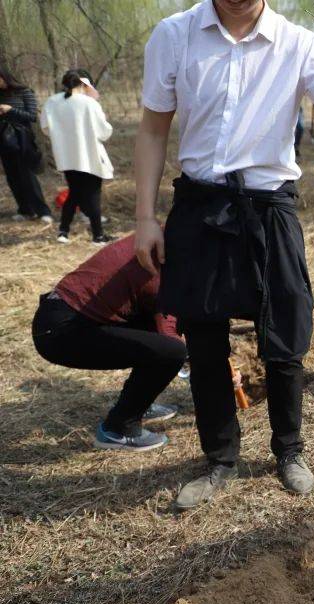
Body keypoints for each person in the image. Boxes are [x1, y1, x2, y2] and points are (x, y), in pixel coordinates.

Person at [134, 0, 314, 510]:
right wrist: (144, 217)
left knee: (285, 330)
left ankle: (288, 450)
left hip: (270, 206)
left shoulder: (297, 44)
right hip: (200, 204)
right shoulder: (174, 36)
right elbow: (153, 128)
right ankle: (219, 456)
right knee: (203, 337)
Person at [32, 235, 186, 451]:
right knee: (171, 352)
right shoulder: (163, 261)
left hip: (63, 317)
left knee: (151, 329)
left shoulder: (156, 237)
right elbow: (168, 330)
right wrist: (206, 363)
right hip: (61, 330)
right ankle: (119, 429)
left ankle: (140, 403)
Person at [41, 69, 115, 245]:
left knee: (74, 193)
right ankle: (98, 236)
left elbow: (45, 128)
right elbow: (104, 132)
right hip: (89, 156)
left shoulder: (52, 102)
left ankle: (63, 232)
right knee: (93, 196)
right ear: (83, 84)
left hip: (66, 157)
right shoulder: (89, 103)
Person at [0, 66, 53, 223]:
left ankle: (43, 211)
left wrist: (10, 110)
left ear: (4, 77)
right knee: (12, 177)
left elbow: (31, 116)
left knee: (27, 176)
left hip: (22, 139)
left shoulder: (24, 91)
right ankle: (25, 210)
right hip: (3, 140)